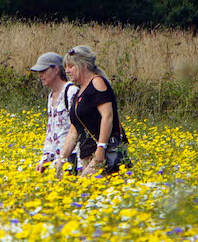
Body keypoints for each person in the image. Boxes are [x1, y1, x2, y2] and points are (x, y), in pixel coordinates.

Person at [59, 44, 128, 177]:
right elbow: (74, 131)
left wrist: (101, 147)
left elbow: (107, 116)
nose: (67, 71)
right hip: (88, 155)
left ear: (84, 65)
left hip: (104, 154)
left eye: (71, 66)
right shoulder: (79, 91)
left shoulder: (97, 83)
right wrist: (61, 161)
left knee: (86, 189)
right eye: (66, 67)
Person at [30, 51, 78, 172]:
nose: (40, 75)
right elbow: (51, 131)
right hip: (58, 160)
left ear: (56, 70)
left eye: (43, 71)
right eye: (39, 72)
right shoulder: (51, 96)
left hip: (73, 157)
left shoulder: (71, 91)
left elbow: (79, 126)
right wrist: (44, 160)